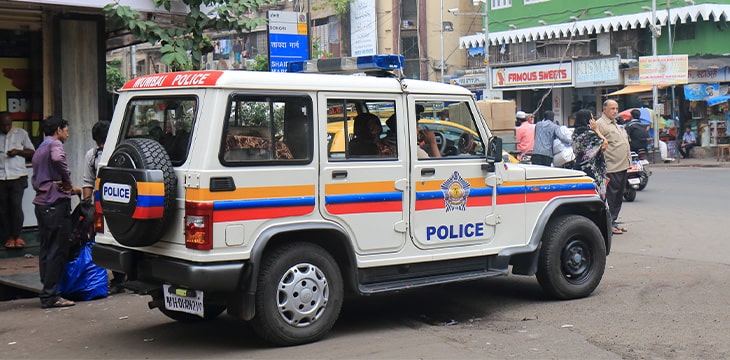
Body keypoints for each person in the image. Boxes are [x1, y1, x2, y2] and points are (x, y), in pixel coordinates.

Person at [32, 116, 81, 308]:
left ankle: (47, 290)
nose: (67, 132)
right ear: (58, 130)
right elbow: (58, 159)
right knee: (56, 250)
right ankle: (51, 295)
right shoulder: (54, 145)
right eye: (66, 129)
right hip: (54, 203)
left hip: (42, 203)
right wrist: (67, 181)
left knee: (46, 248)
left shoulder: (40, 147)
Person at [81, 121, 126, 294]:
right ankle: (119, 278)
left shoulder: (121, 153)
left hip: (121, 203)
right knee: (107, 240)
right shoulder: (91, 155)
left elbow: (87, 182)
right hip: (102, 205)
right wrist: (87, 206)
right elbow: (88, 181)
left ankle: (123, 277)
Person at [1, 111, 35, 249]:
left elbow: (32, 151)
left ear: (11, 122)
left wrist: (18, 152)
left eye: (8, 124)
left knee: (16, 206)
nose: (6, 128)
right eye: (3, 125)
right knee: (2, 209)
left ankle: (17, 235)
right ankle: (8, 237)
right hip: (1, 176)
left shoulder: (21, 133)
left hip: (17, 175)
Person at [596, 99, 631, 235]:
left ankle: (613, 221)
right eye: (612, 109)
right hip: (611, 166)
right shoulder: (600, 124)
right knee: (611, 196)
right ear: (604, 109)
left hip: (622, 165)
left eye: (616, 108)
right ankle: (608, 224)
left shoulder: (616, 124)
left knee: (619, 195)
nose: (615, 111)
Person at [572, 109, 608, 200]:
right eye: (592, 118)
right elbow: (604, 144)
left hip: (579, 166)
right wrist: (596, 129)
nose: (594, 120)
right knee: (596, 196)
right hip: (591, 169)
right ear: (588, 120)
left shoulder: (575, 133)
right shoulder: (589, 134)